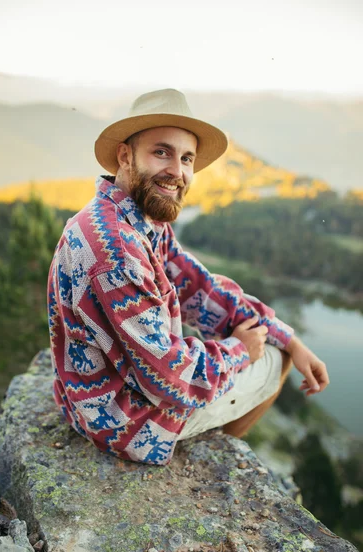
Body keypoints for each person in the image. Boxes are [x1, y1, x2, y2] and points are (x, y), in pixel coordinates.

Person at [47, 88, 329, 465]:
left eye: (186, 158)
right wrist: (242, 351)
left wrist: (288, 336)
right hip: (122, 419)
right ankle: (209, 449)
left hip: (97, 394)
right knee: (275, 362)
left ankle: (207, 430)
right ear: (125, 155)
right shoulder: (117, 253)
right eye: (161, 152)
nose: (177, 172)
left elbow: (199, 288)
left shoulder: (134, 218)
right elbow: (169, 380)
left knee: (274, 344)